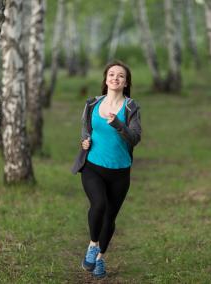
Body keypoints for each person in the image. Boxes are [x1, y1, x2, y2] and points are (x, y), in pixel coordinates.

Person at [71, 60, 142, 279]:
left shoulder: (131, 107)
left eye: (120, 76)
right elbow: (86, 129)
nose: (115, 78)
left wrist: (117, 124)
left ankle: (100, 258)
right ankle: (93, 245)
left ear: (126, 82)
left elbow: (135, 138)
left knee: (110, 217)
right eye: (111, 74)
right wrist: (85, 141)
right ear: (106, 79)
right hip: (93, 166)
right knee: (99, 204)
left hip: (120, 171)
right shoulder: (92, 103)